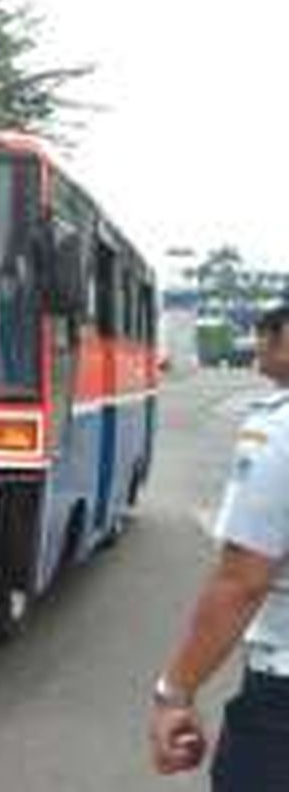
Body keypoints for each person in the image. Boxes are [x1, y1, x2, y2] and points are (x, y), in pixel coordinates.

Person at [149, 304, 289, 790]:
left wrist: (175, 694)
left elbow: (242, 581)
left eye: (264, 336)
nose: (258, 347)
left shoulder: (279, 429)